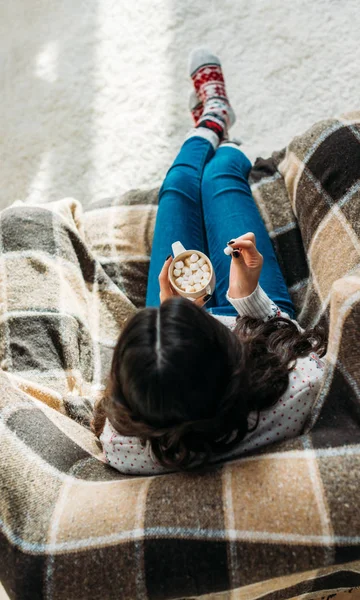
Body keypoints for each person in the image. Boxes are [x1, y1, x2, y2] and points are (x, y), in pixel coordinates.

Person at [90, 48, 328, 475]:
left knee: (179, 185)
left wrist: (169, 308)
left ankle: (209, 122)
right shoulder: (295, 389)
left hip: (183, 352)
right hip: (256, 323)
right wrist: (247, 296)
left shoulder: (123, 444)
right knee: (220, 175)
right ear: (230, 357)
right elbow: (294, 344)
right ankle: (223, 132)